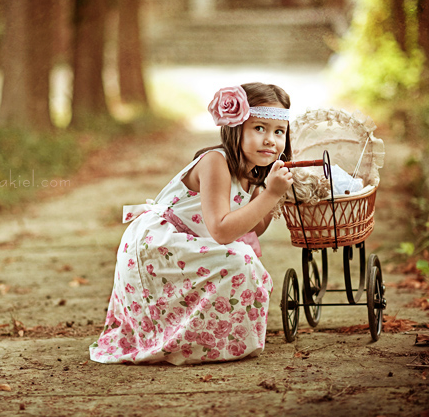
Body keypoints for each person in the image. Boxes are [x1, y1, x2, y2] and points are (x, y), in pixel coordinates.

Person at [89, 83, 294, 365]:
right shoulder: (216, 162)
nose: (270, 140)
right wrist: (270, 194)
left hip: (187, 245)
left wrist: (273, 196)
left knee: (243, 258)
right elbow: (222, 231)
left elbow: (252, 227)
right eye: (259, 128)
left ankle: (208, 338)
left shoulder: (254, 174)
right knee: (241, 259)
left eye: (279, 132)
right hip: (157, 246)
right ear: (236, 128)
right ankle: (181, 338)